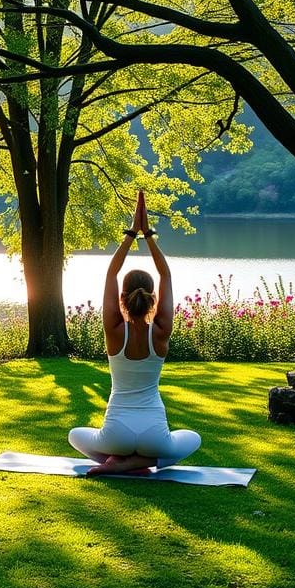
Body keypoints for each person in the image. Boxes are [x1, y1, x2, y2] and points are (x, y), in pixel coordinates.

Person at [68, 191, 201, 475]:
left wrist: (131, 233)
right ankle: (144, 461)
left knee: (74, 435)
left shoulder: (115, 331)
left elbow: (110, 275)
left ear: (123, 297)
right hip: (156, 435)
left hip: (116, 434)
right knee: (193, 438)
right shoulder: (161, 331)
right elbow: (166, 275)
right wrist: (148, 235)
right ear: (152, 296)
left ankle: (118, 462)